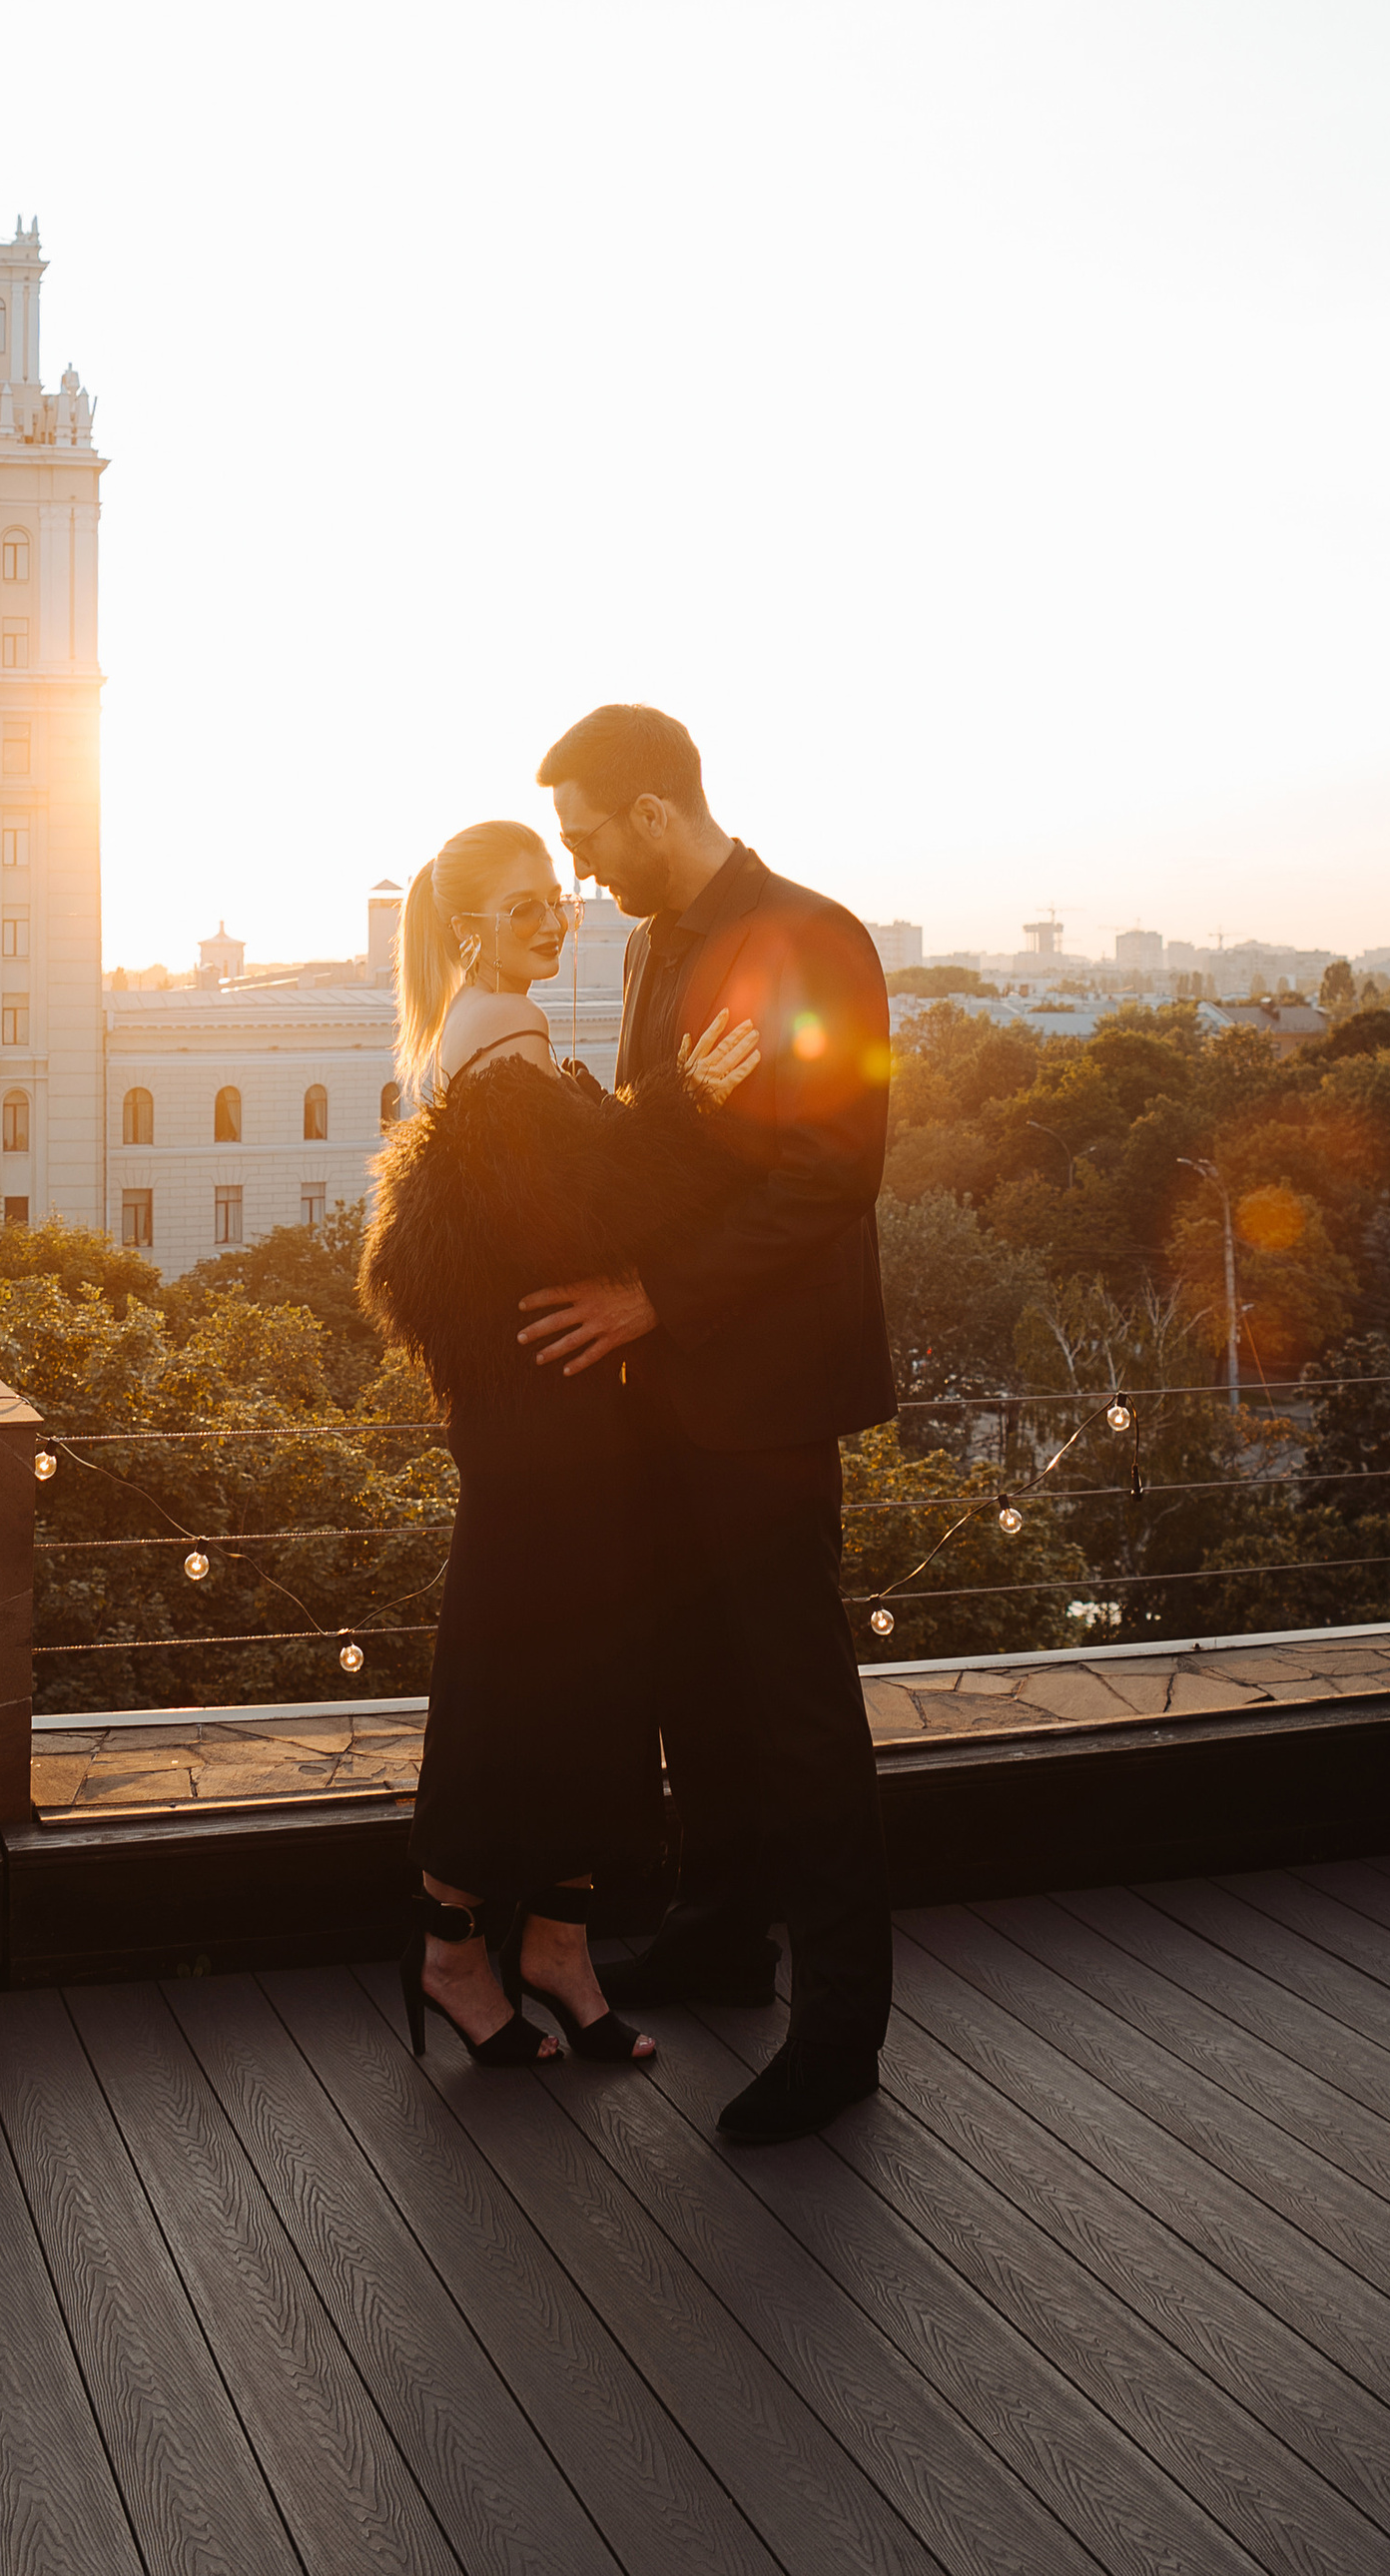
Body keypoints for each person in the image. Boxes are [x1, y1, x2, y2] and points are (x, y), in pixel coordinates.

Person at [528, 701, 896, 2147]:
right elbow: (661, 1146)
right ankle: (721, 1936)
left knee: (799, 1713)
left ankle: (843, 2032)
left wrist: (649, 1299)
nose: (583, 873)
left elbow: (826, 1177)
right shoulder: (649, 944)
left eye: (588, 839)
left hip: (766, 1393)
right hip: (671, 1385)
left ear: (656, 812)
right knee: (697, 1683)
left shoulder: (814, 940)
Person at [360, 817, 760, 2072]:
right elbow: (583, 1210)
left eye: (559, 902)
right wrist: (691, 1102)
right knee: (522, 1678)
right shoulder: (504, 1035)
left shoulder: (476, 1030)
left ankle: (543, 1948)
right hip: (548, 1424)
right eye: (528, 903)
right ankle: (463, 1955)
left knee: (567, 1673)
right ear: (475, 922)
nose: (556, 920)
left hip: (540, 1415)